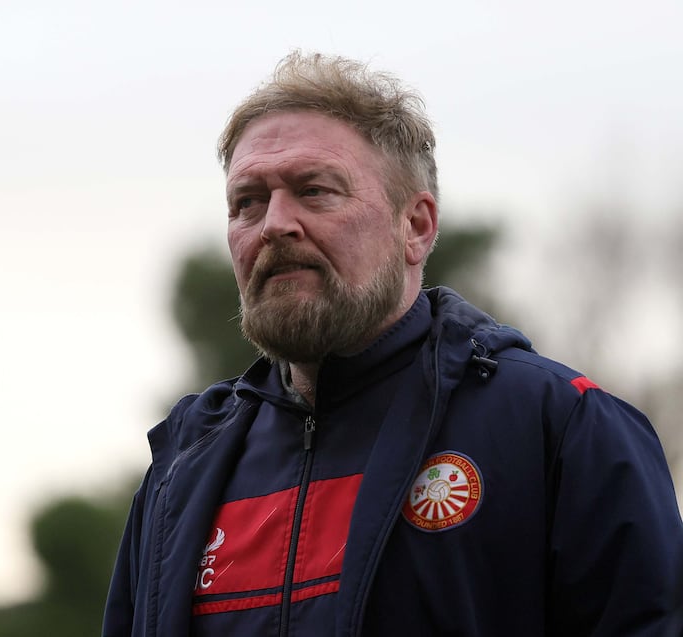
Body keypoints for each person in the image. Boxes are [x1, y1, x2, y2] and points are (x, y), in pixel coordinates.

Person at [103, 52, 683, 636]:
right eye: (247, 202)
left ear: (417, 226)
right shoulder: (183, 465)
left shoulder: (557, 425)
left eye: (314, 190)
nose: (275, 223)